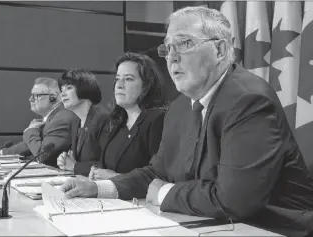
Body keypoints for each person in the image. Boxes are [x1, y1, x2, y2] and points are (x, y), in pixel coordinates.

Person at [60, 6, 313, 237]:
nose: (171, 58)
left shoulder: (249, 100)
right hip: (209, 225)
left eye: (183, 44)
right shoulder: (180, 107)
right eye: (167, 48)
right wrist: (99, 188)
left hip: (273, 229)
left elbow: (234, 201)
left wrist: (163, 192)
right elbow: (157, 172)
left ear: (220, 50)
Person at [88, 52, 166, 180]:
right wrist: (96, 173)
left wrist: (115, 178)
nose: (119, 85)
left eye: (128, 79)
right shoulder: (118, 122)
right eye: (118, 78)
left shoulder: (157, 119)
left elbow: (160, 178)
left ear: (147, 85)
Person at [1, 77, 79, 167]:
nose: (30, 99)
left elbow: (43, 157)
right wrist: (1, 153)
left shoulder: (61, 119)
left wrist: (30, 131)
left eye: (36, 96)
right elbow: (30, 145)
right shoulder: (53, 116)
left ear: (53, 97)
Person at [56, 69, 109, 176]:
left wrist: (75, 166)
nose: (62, 94)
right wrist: (65, 159)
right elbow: (77, 158)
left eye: (69, 88)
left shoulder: (102, 118)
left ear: (84, 88)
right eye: (62, 90)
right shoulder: (76, 121)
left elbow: (109, 165)